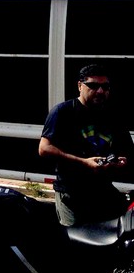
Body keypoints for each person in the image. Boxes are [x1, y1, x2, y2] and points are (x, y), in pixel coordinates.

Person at [39, 64, 132, 227]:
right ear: (80, 85)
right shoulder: (63, 112)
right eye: (93, 86)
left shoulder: (114, 115)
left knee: (120, 235)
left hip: (103, 192)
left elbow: (126, 150)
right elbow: (44, 148)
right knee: (75, 243)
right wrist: (84, 162)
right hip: (71, 194)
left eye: (105, 86)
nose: (100, 91)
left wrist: (121, 161)